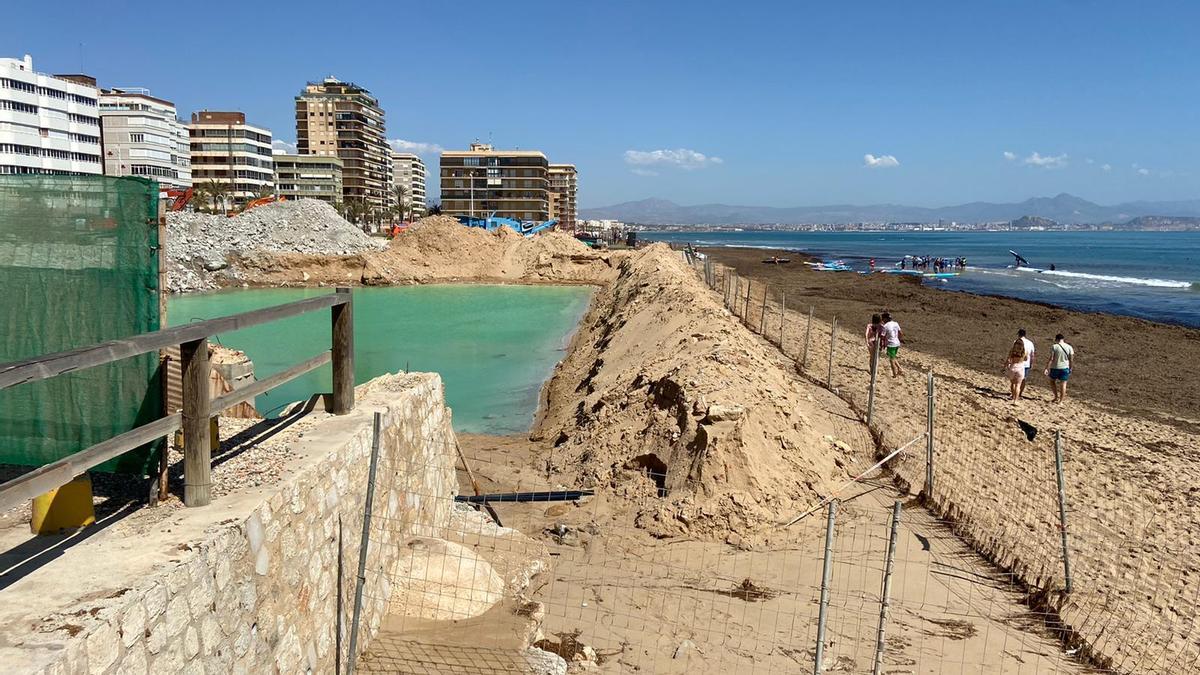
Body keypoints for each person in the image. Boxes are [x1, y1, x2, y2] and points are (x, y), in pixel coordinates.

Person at [1043, 334, 1075, 403]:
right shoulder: (1069, 347)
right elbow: (1071, 359)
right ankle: (1061, 401)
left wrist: (1047, 368)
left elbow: (1051, 359)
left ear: (1056, 339)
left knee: (1052, 381)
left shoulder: (1054, 346)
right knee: (1063, 384)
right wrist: (1071, 368)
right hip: (1065, 367)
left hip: (1055, 367)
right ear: (1063, 339)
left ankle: (1056, 396)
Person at [1003, 338, 1028, 402]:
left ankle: (1013, 397)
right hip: (1020, 368)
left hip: (1013, 367)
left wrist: (1004, 367)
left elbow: (1008, 360)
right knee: (1018, 385)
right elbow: (1026, 359)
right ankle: (1016, 400)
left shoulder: (1012, 350)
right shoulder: (1024, 351)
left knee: (1013, 384)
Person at [880, 312, 903, 377]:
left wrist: (882, 344)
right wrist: (900, 339)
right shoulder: (896, 323)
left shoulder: (885, 326)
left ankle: (894, 374)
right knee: (893, 357)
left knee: (891, 360)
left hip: (891, 344)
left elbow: (882, 336)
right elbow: (900, 333)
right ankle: (899, 368)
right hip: (897, 343)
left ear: (885, 319)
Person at [1016, 329, 1035, 399]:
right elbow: (1032, 355)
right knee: (1023, 379)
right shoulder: (1030, 343)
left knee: (1016, 379)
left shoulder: (1016, 342)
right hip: (1026, 364)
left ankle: (1014, 393)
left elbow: (1012, 352)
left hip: (1017, 362)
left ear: (1018, 334)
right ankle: (1020, 393)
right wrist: (1031, 363)